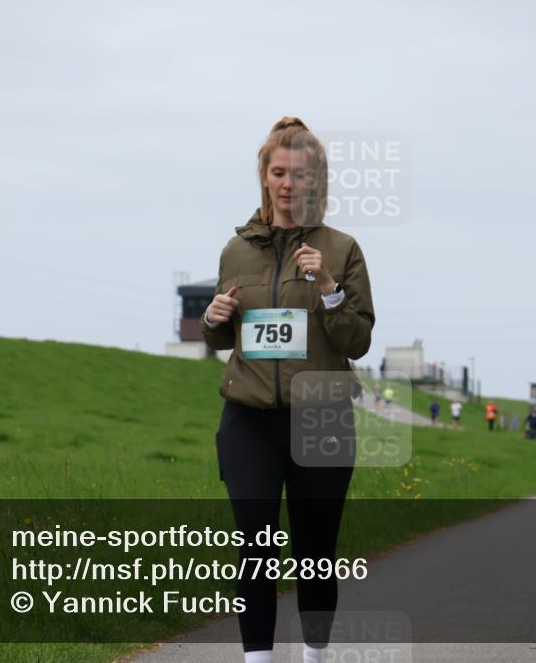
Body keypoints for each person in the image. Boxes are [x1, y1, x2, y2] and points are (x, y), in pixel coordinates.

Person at [201, 116, 375, 663]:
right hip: (249, 420)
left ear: (315, 181)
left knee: (315, 554)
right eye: (278, 172)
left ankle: (316, 656)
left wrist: (327, 288)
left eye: (300, 174)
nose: (288, 184)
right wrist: (213, 317)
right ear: (264, 176)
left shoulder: (342, 249)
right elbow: (223, 337)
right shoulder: (236, 251)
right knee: (254, 549)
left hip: (320, 419)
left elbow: (359, 339)